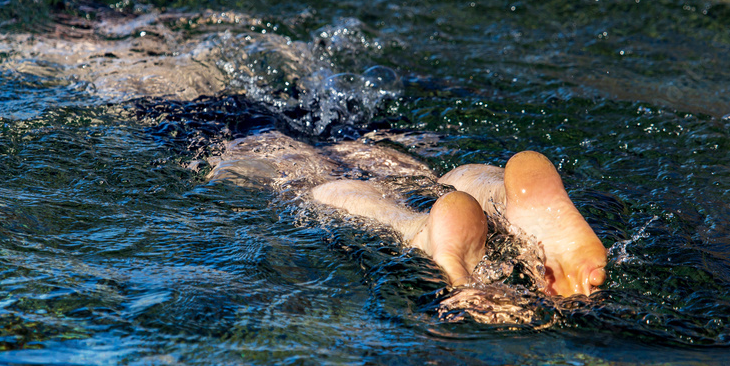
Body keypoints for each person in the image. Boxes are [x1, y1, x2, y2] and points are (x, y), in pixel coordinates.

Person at [208, 131, 607, 298]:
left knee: (306, 186)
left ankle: (420, 230)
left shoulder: (163, 79)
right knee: (435, 179)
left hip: (251, 137)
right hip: (368, 139)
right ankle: (499, 194)